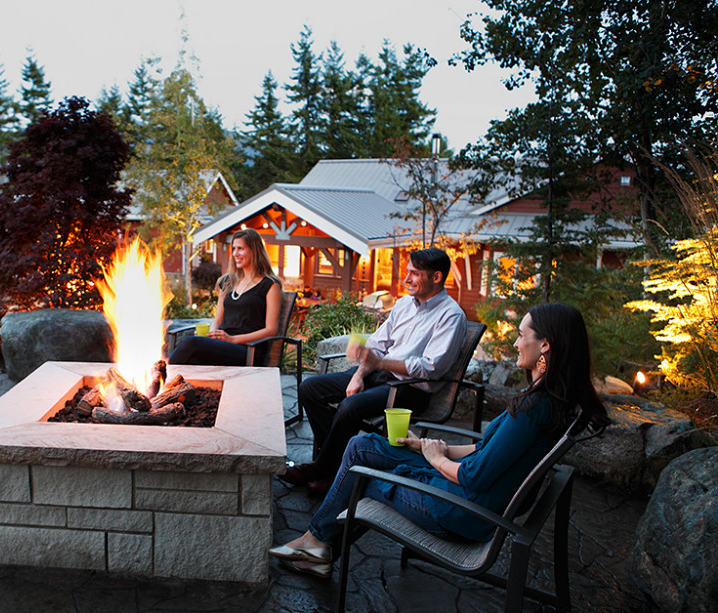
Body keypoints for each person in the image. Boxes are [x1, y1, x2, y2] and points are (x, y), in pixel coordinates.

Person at [268, 302, 608, 578]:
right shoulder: (549, 402)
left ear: (545, 344)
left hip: (460, 510)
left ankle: (315, 545)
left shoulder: (534, 408)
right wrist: (430, 447)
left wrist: (436, 460)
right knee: (361, 448)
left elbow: (474, 475)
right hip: (468, 495)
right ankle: (316, 546)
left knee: (361, 475)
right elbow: (484, 450)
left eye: (522, 336)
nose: (516, 343)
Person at [282, 248, 467, 492]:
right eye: (408, 272)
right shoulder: (404, 305)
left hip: (410, 389)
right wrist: (358, 375)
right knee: (309, 388)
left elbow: (429, 368)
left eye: (415, 274)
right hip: (377, 376)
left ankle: (321, 469)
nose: (407, 279)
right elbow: (376, 346)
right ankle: (337, 467)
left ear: (436, 277)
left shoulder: (450, 316)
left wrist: (380, 364)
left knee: (350, 406)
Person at [168, 228, 282, 366]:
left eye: (240, 248)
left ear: (254, 251)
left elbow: (271, 330)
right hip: (223, 346)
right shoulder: (228, 281)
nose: (235, 254)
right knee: (191, 359)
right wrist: (211, 336)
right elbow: (217, 320)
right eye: (234, 248)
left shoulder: (270, 285)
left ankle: (158, 379)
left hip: (249, 350)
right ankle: (163, 382)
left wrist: (233, 339)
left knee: (191, 342)